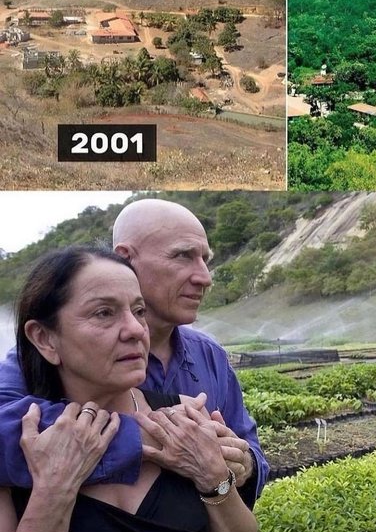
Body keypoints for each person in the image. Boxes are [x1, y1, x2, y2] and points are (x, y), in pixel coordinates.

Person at [0, 199, 268, 508]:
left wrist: (242, 462)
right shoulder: (42, 357)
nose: (204, 277)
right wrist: (151, 436)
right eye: (183, 256)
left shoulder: (211, 357)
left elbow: (252, 454)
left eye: (205, 259)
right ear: (125, 258)